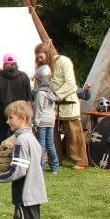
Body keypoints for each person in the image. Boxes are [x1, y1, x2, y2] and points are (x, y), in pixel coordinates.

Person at [36, 42, 88, 171]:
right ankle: (56, 159)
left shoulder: (64, 61)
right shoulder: (43, 68)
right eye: (37, 57)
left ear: (47, 54)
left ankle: (80, 161)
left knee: (74, 134)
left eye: (41, 57)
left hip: (68, 102)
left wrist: (57, 95)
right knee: (52, 134)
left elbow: (71, 84)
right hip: (51, 106)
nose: (39, 59)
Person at [0, 54, 31, 146]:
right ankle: (16, 159)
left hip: (1, 113)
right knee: (18, 139)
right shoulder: (24, 76)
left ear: (4, 64)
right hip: (19, 114)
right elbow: (29, 98)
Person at [32, 65, 60, 174]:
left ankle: (40, 167)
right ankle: (55, 167)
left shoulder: (40, 93)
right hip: (50, 120)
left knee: (41, 144)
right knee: (50, 144)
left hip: (42, 120)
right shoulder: (51, 92)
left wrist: (35, 123)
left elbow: (38, 109)